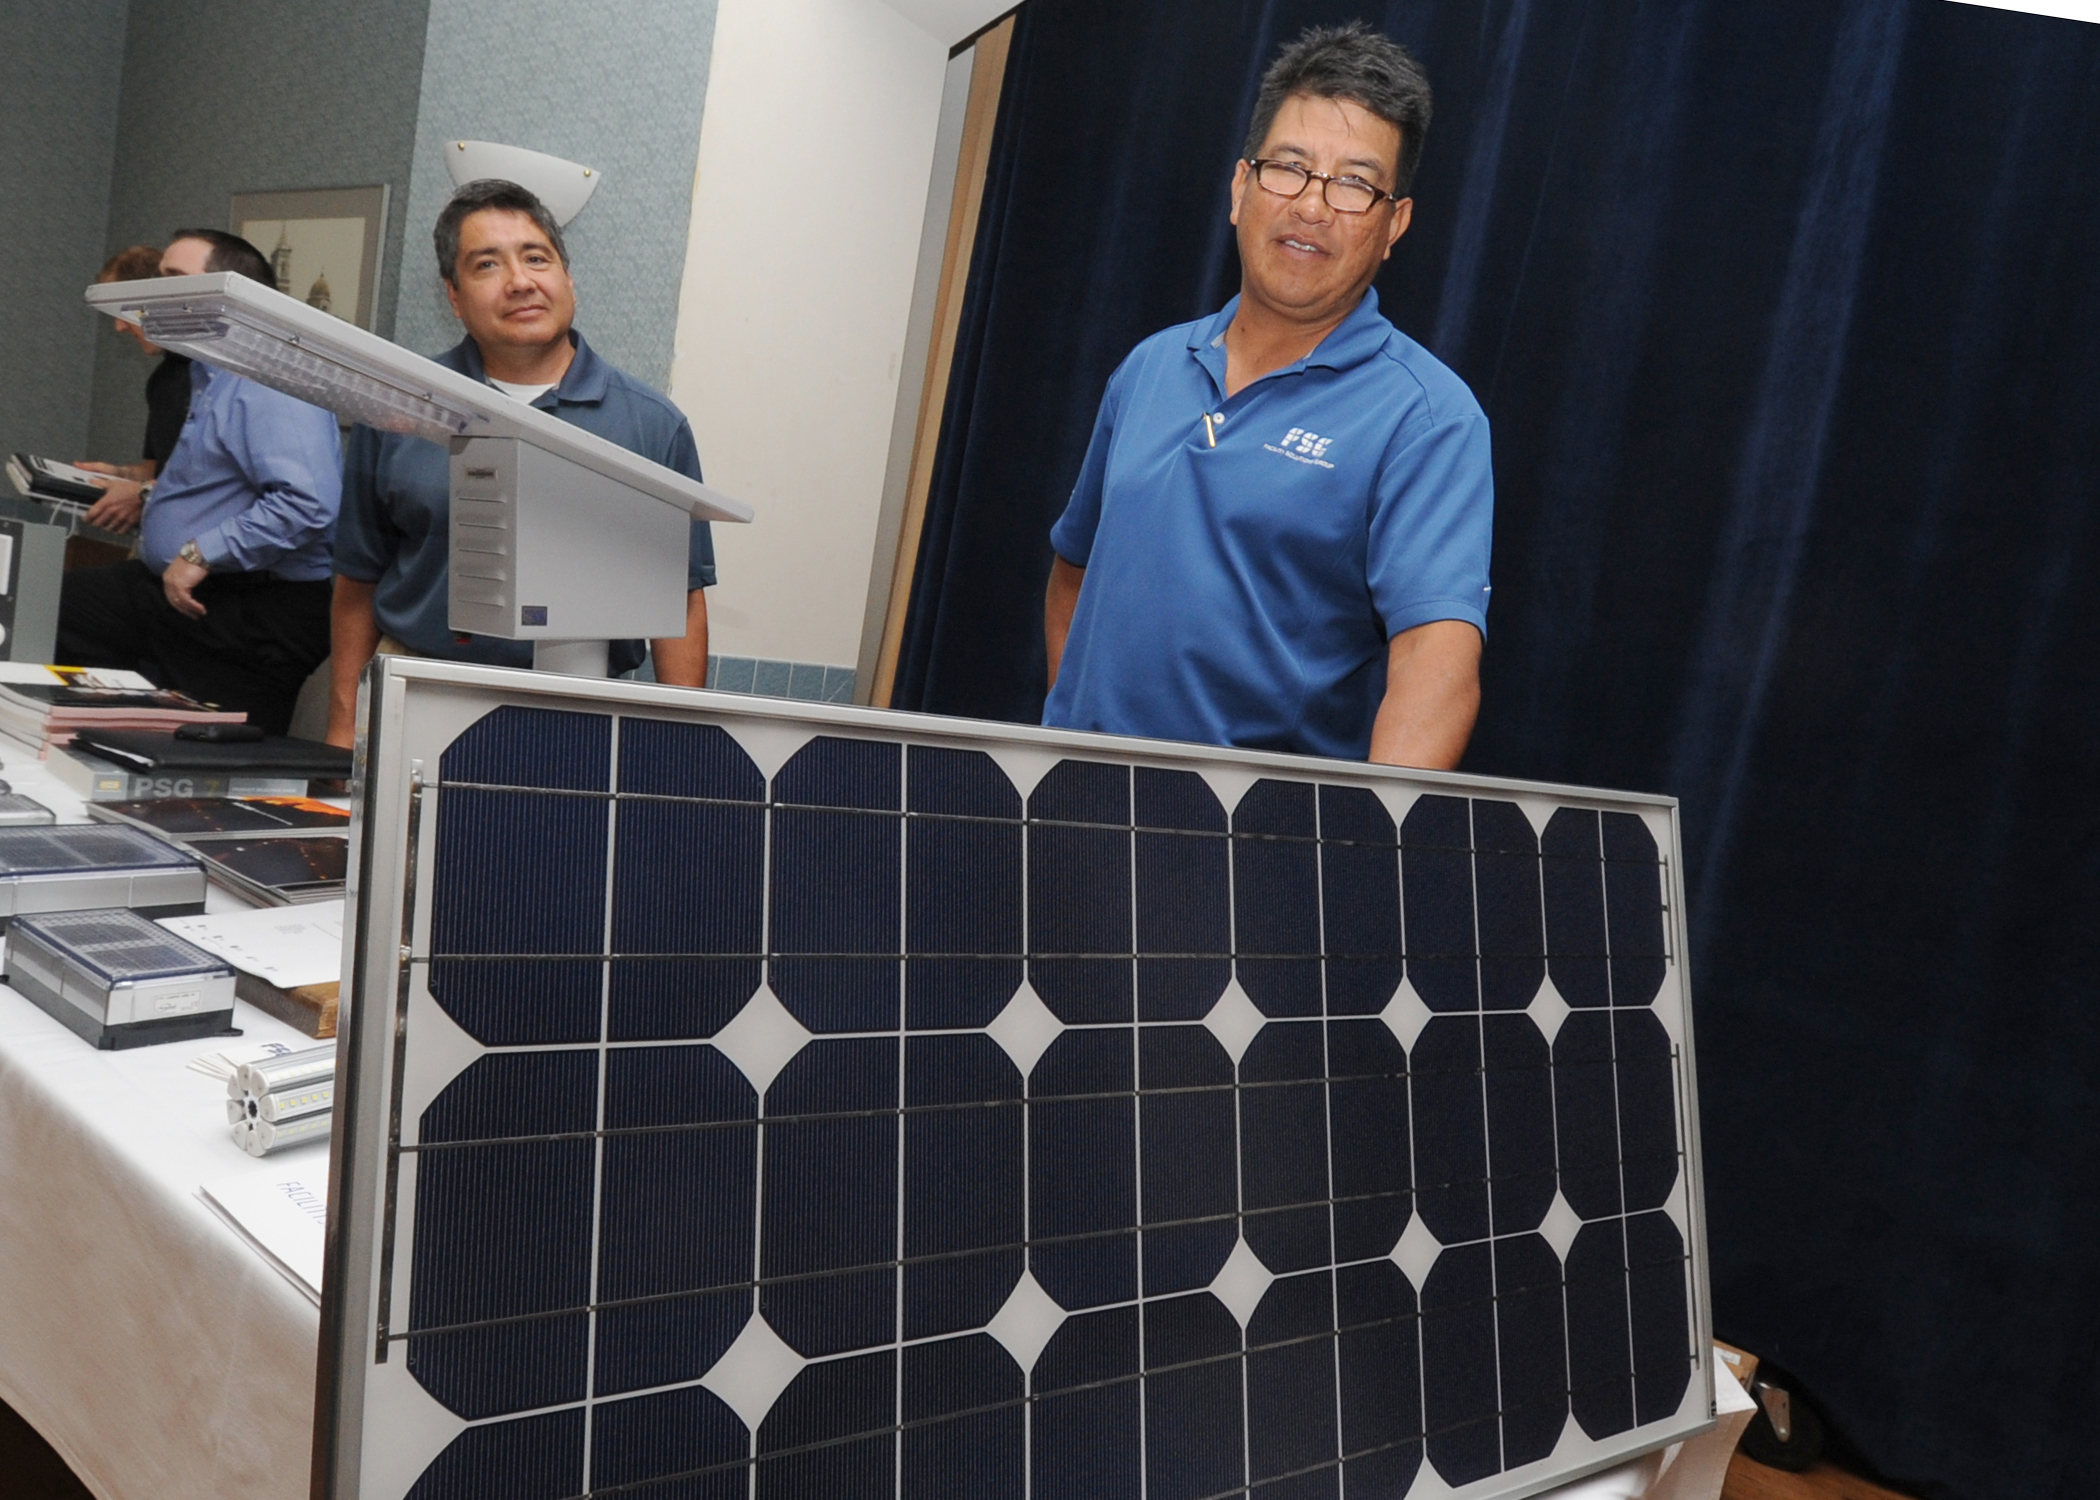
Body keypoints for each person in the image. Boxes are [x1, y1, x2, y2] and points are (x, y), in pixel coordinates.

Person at [1041, 22, 1491, 768]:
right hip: (1072, 807)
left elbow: (1434, 667)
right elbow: (1073, 575)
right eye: (1289, 167)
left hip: (1250, 835)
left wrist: (1376, 833)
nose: (1313, 205)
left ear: (1394, 225)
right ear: (1240, 188)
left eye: (1354, 183)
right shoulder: (1150, 366)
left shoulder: (1428, 419)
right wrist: (1071, 759)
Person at [327, 179, 716, 745]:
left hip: (581, 706)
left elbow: (679, 598)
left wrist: (685, 743)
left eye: (536, 258)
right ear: (453, 295)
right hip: (416, 696)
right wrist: (344, 730)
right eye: (487, 264)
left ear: (567, 278)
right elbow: (358, 578)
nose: (520, 282)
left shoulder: (652, 425)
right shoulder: (401, 411)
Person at [56, 230, 342, 734]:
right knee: (51, 607)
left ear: (232, 293)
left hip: (249, 610)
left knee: (212, 752)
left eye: (173, 279)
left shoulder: (271, 379)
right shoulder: (208, 374)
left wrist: (198, 554)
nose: (154, 293)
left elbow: (308, 504)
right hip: (183, 591)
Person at [74, 244, 192, 535]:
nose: (119, 327)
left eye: (122, 311)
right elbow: (159, 468)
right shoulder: (162, 379)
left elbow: (217, 477)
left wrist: (142, 494)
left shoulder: (216, 378)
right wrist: (118, 474)